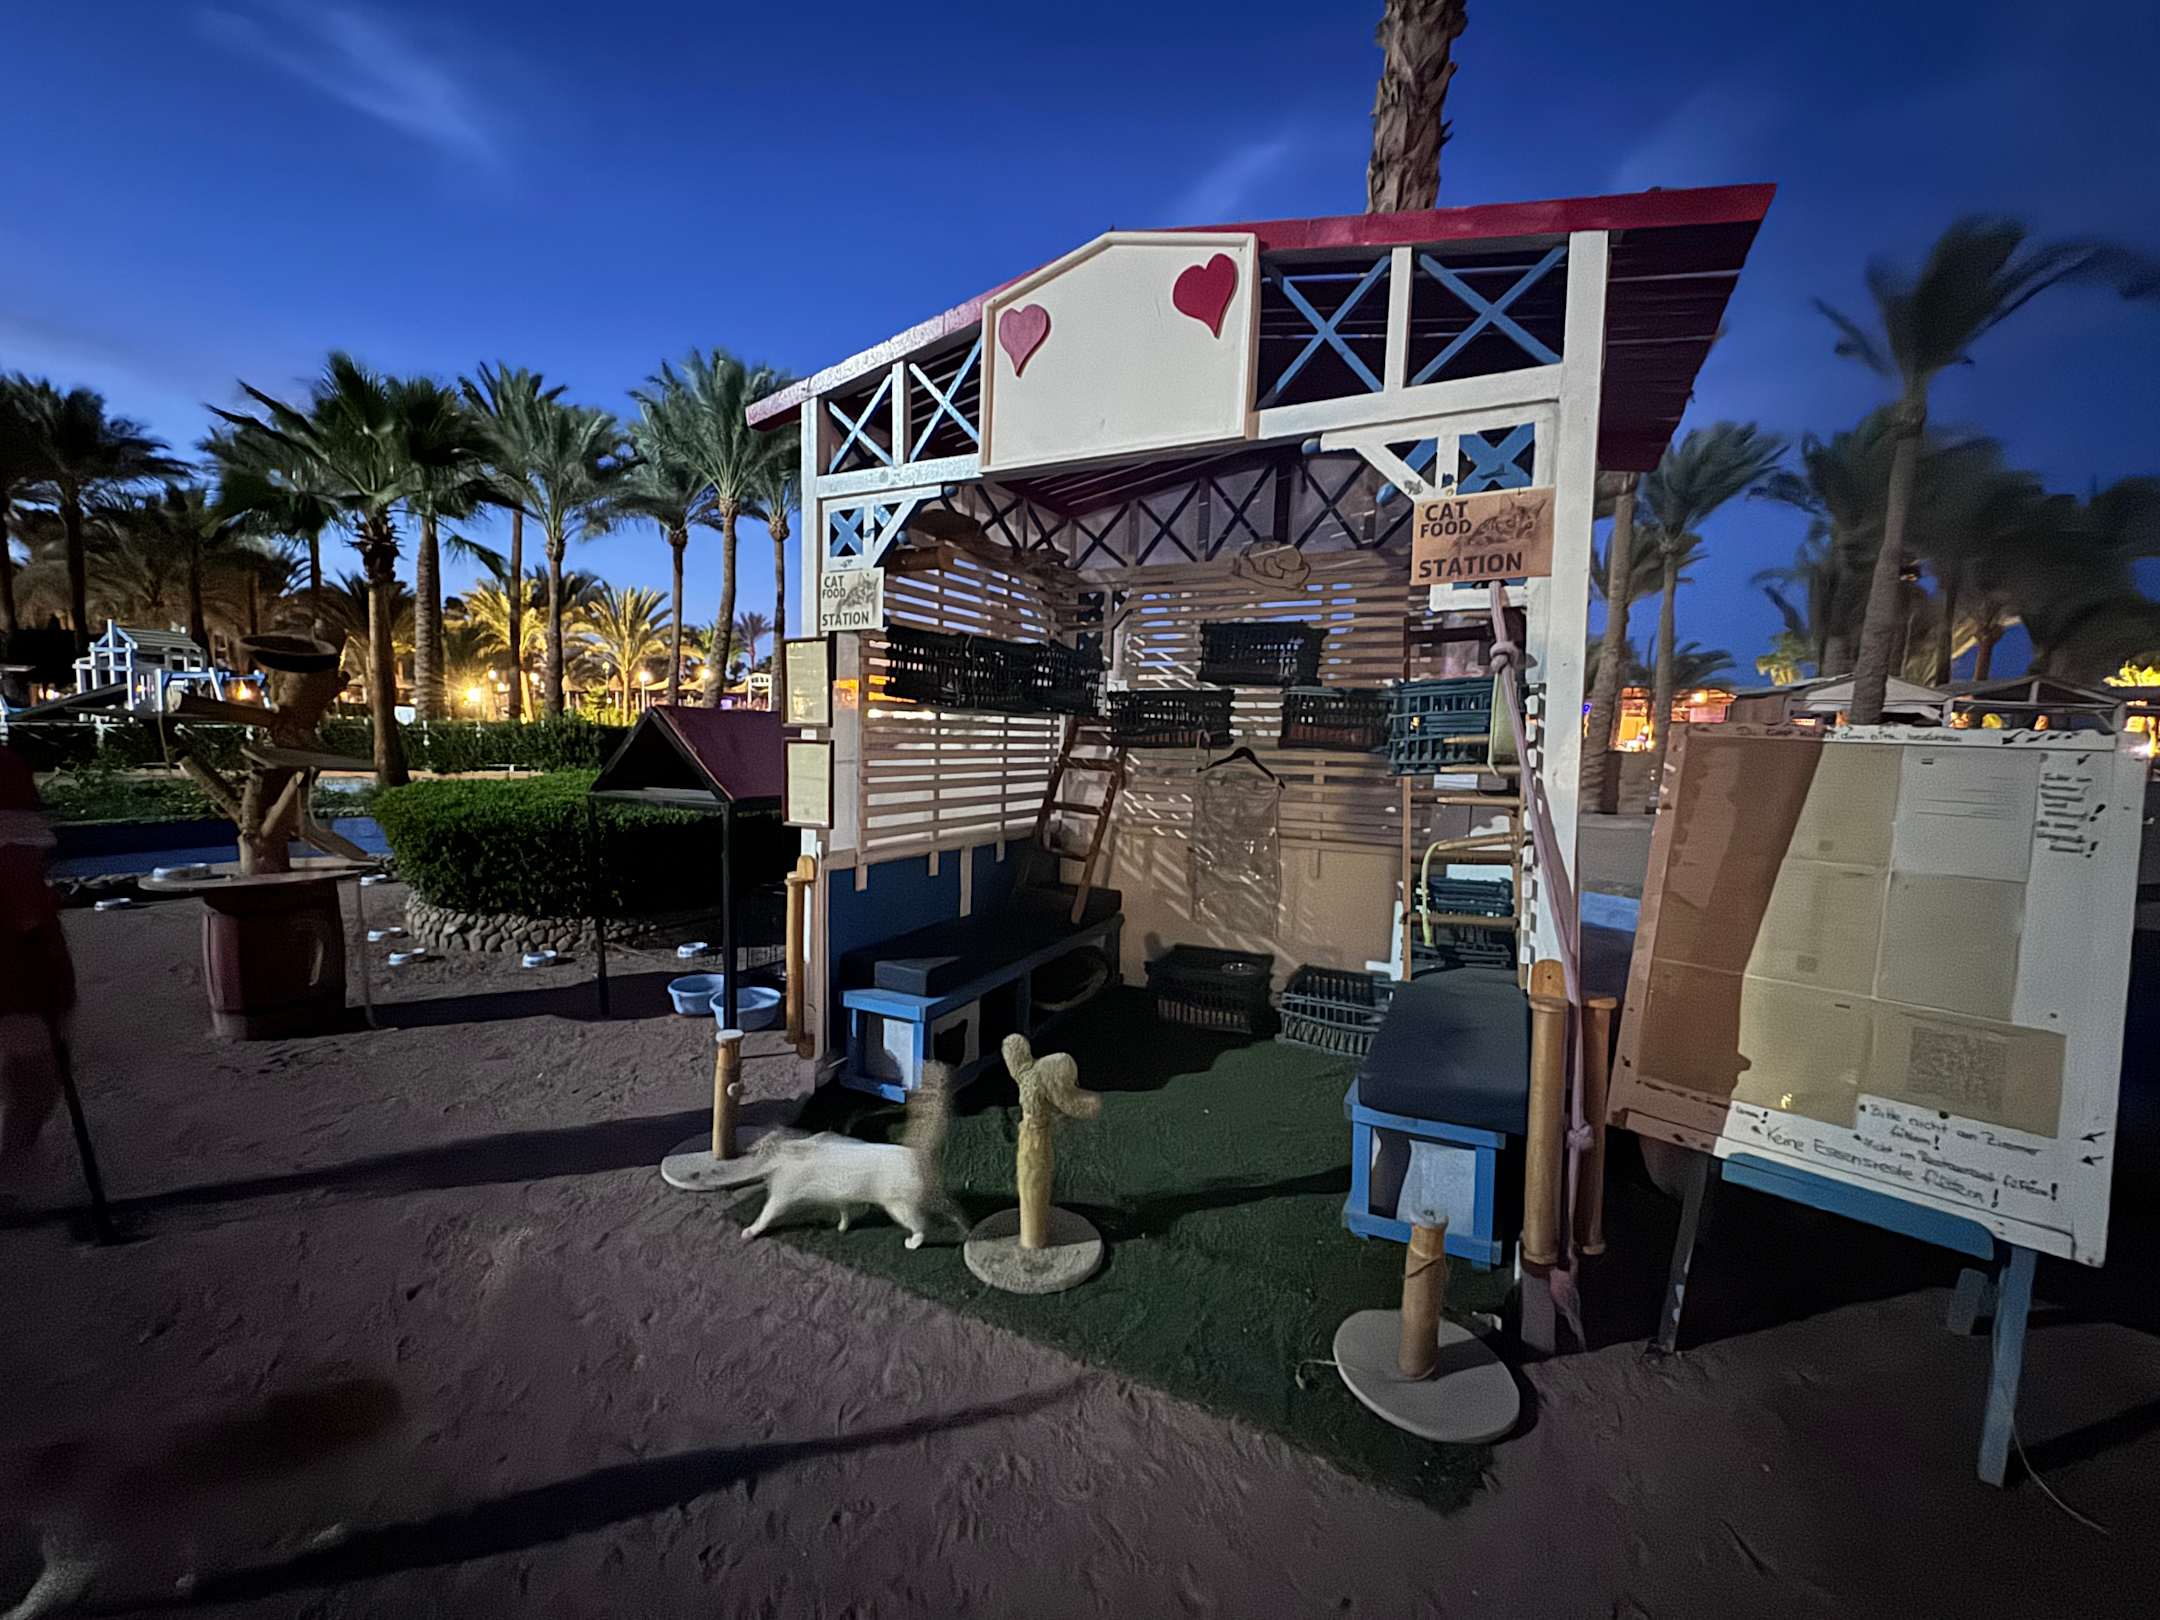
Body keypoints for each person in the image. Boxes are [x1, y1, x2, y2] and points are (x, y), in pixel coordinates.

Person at [0, 743, 76, 1180]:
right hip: (17, 971)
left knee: (28, 1073)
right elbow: (20, 879)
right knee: (35, 1076)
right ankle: (14, 1167)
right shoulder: (5, 775)